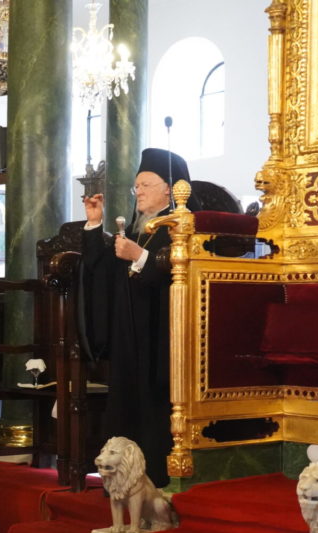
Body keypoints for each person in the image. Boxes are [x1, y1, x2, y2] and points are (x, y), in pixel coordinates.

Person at [81, 148, 202, 487]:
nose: (139, 191)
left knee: (152, 411)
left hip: (160, 341)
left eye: (147, 184)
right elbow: (103, 270)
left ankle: (155, 482)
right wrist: (94, 224)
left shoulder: (181, 226)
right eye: (137, 186)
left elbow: (178, 273)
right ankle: (123, 484)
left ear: (170, 189)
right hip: (129, 341)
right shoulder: (140, 229)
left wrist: (141, 257)